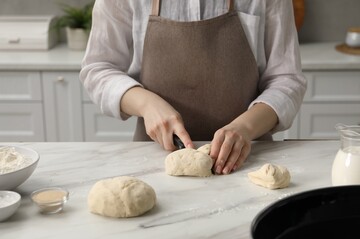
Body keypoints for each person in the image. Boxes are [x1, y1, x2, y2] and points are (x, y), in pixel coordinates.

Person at [80, 0, 307, 175]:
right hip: (154, 161)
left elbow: (286, 79)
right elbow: (98, 68)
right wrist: (146, 104)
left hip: (249, 162)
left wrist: (245, 127)